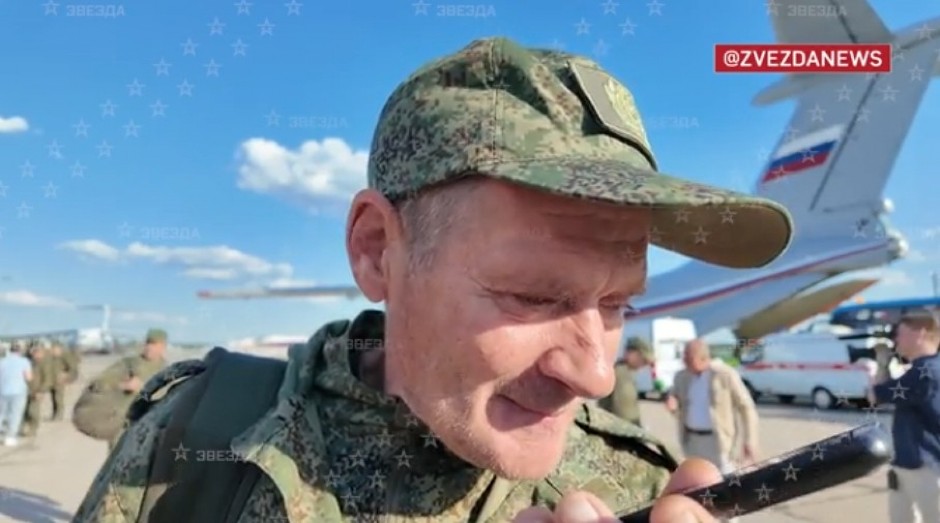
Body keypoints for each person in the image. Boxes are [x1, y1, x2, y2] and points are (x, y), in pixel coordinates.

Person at [73, 36, 793, 523]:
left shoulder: (637, 488)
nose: (596, 374)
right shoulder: (194, 447)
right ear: (377, 248)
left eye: (616, 303)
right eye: (535, 296)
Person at [868, 309, 940, 523]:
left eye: (900, 333)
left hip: (925, 465)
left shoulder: (924, 372)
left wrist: (881, 363)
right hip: (910, 463)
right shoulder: (924, 369)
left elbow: (875, 395)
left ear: (921, 333)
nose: (895, 339)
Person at [666, 339, 759, 474]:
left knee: (723, 481)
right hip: (691, 440)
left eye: (689, 358)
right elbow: (674, 400)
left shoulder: (724, 375)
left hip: (718, 442)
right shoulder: (681, 377)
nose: (684, 362)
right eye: (684, 357)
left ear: (704, 358)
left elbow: (747, 407)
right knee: (696, 481)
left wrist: (749, 440)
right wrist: (672, 404)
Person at [598, 336, 653, 426]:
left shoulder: (624, 372)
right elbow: (624, 413)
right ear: (632, 354)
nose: (643, 365)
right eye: (643, 360)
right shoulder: (621, 375)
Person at [0, 341, 33, 446]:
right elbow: (28, 377)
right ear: (20, 351)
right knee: (15, 414)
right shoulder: (24, 361)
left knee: (2, 413)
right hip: (19, 391)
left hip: (3, 390)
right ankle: (10, 437)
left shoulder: (2, 362)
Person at [47, 342, 77, 421]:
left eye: (55, 349)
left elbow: (73, 368)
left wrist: (66, 375)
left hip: (60, 380)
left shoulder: (65, 356)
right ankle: (54, 414)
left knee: (58, 398)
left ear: (59, 349)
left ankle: (59, 415)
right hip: (51, 379)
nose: (53, 350)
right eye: (52, 349)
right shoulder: (51, 357)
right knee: (53, 398)